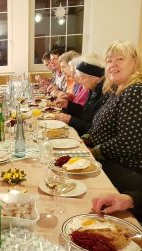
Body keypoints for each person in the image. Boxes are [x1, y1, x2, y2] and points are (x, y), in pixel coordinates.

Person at [83, 41, 142, 193]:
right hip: (108, 159)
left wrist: (94, 151)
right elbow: (99, 127)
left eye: (120, 59)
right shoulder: (115, 90)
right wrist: (84, 139)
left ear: (135, 62)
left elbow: (128, 142)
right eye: (109, 60)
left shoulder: (135, 90)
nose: (113, 64)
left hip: (125, 167)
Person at [54, 53, 105, 136]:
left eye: (82, 77)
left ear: (96, 77)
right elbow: (85, 113)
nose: (80, 81)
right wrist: (68, 105)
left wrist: (70, 120)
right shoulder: (93, 89)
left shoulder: (104, 94)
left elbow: (96, 130)